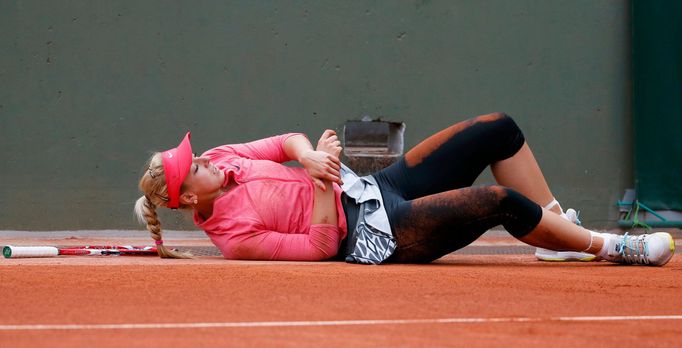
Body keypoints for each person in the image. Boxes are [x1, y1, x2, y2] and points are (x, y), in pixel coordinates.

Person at [134, 112, 675, 266]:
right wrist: (324, 184)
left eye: (193, 153)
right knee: (499, 203)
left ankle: (555, 233)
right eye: (192, 168)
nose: (202, 158)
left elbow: (284, 141)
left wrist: (310, 157)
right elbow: (322, 248)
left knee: (497, 129)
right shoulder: (234, 237)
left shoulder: (224, 159)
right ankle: (609, 247)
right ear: (186, 200)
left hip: (373, 187)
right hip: (375, 237)